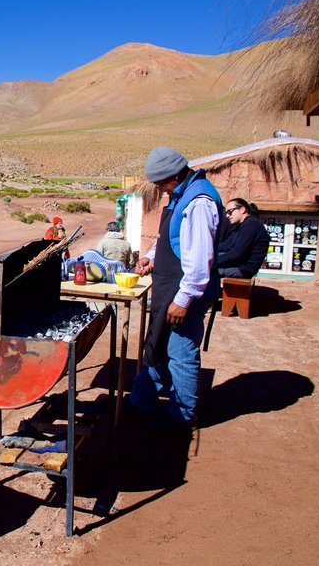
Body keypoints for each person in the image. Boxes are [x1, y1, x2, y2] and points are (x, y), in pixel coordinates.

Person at [129, 147, 224, 432]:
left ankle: (182, 416)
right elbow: (171, 238)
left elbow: (199, 258)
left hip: (186, 292)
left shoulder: (199, 201)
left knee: (181, 353)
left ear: (175, 175)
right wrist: (152, 256)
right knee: (158, 345)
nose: (160, 190)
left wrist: (183, 299)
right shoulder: (181, 195)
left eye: (161, 184)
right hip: (170, 287)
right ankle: (141, 402)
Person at [216, 198, 270, 279]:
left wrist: (211, 261)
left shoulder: (251, 225)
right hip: (239, 263)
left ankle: (212, 292)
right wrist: (210, 250)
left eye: (230, 212)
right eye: (226, 213)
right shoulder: (242, 225)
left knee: (207, 270)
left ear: (242, 209)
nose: (227, 216)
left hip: (244, 269)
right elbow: (226, 245)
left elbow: (236, 254)